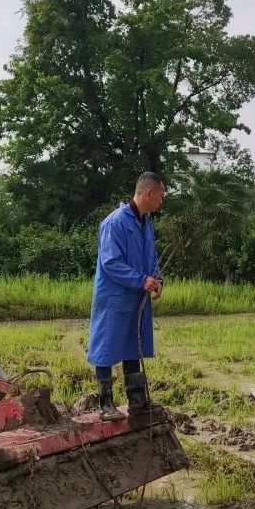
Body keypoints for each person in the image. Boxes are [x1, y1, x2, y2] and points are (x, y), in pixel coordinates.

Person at [88, 172, 166, 420]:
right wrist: (141, 280)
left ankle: (137, 402)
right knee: (107, 346)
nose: (161, 202)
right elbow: (111, 262)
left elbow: (151, 257)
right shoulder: (115, 223)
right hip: (114, 296)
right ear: (148, 193)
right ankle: (106, 403)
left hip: (136, 296)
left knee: (134, 345)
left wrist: (157, 278)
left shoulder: (146, 223)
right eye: (161, 196)